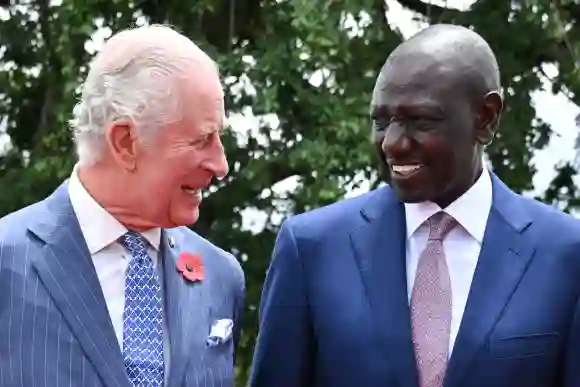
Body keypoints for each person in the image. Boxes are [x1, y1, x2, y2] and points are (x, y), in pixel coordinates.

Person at [249, 24, 580, 387]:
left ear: (486, 117)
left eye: (420, 121)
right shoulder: (312, 249)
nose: (392, 143)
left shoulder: (566, 254)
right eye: (380, 121)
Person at [0, 25, 244, 387]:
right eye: (202, 139)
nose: (220, 165)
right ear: (126, 141)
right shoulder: (7, 261)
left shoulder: (221, 277)